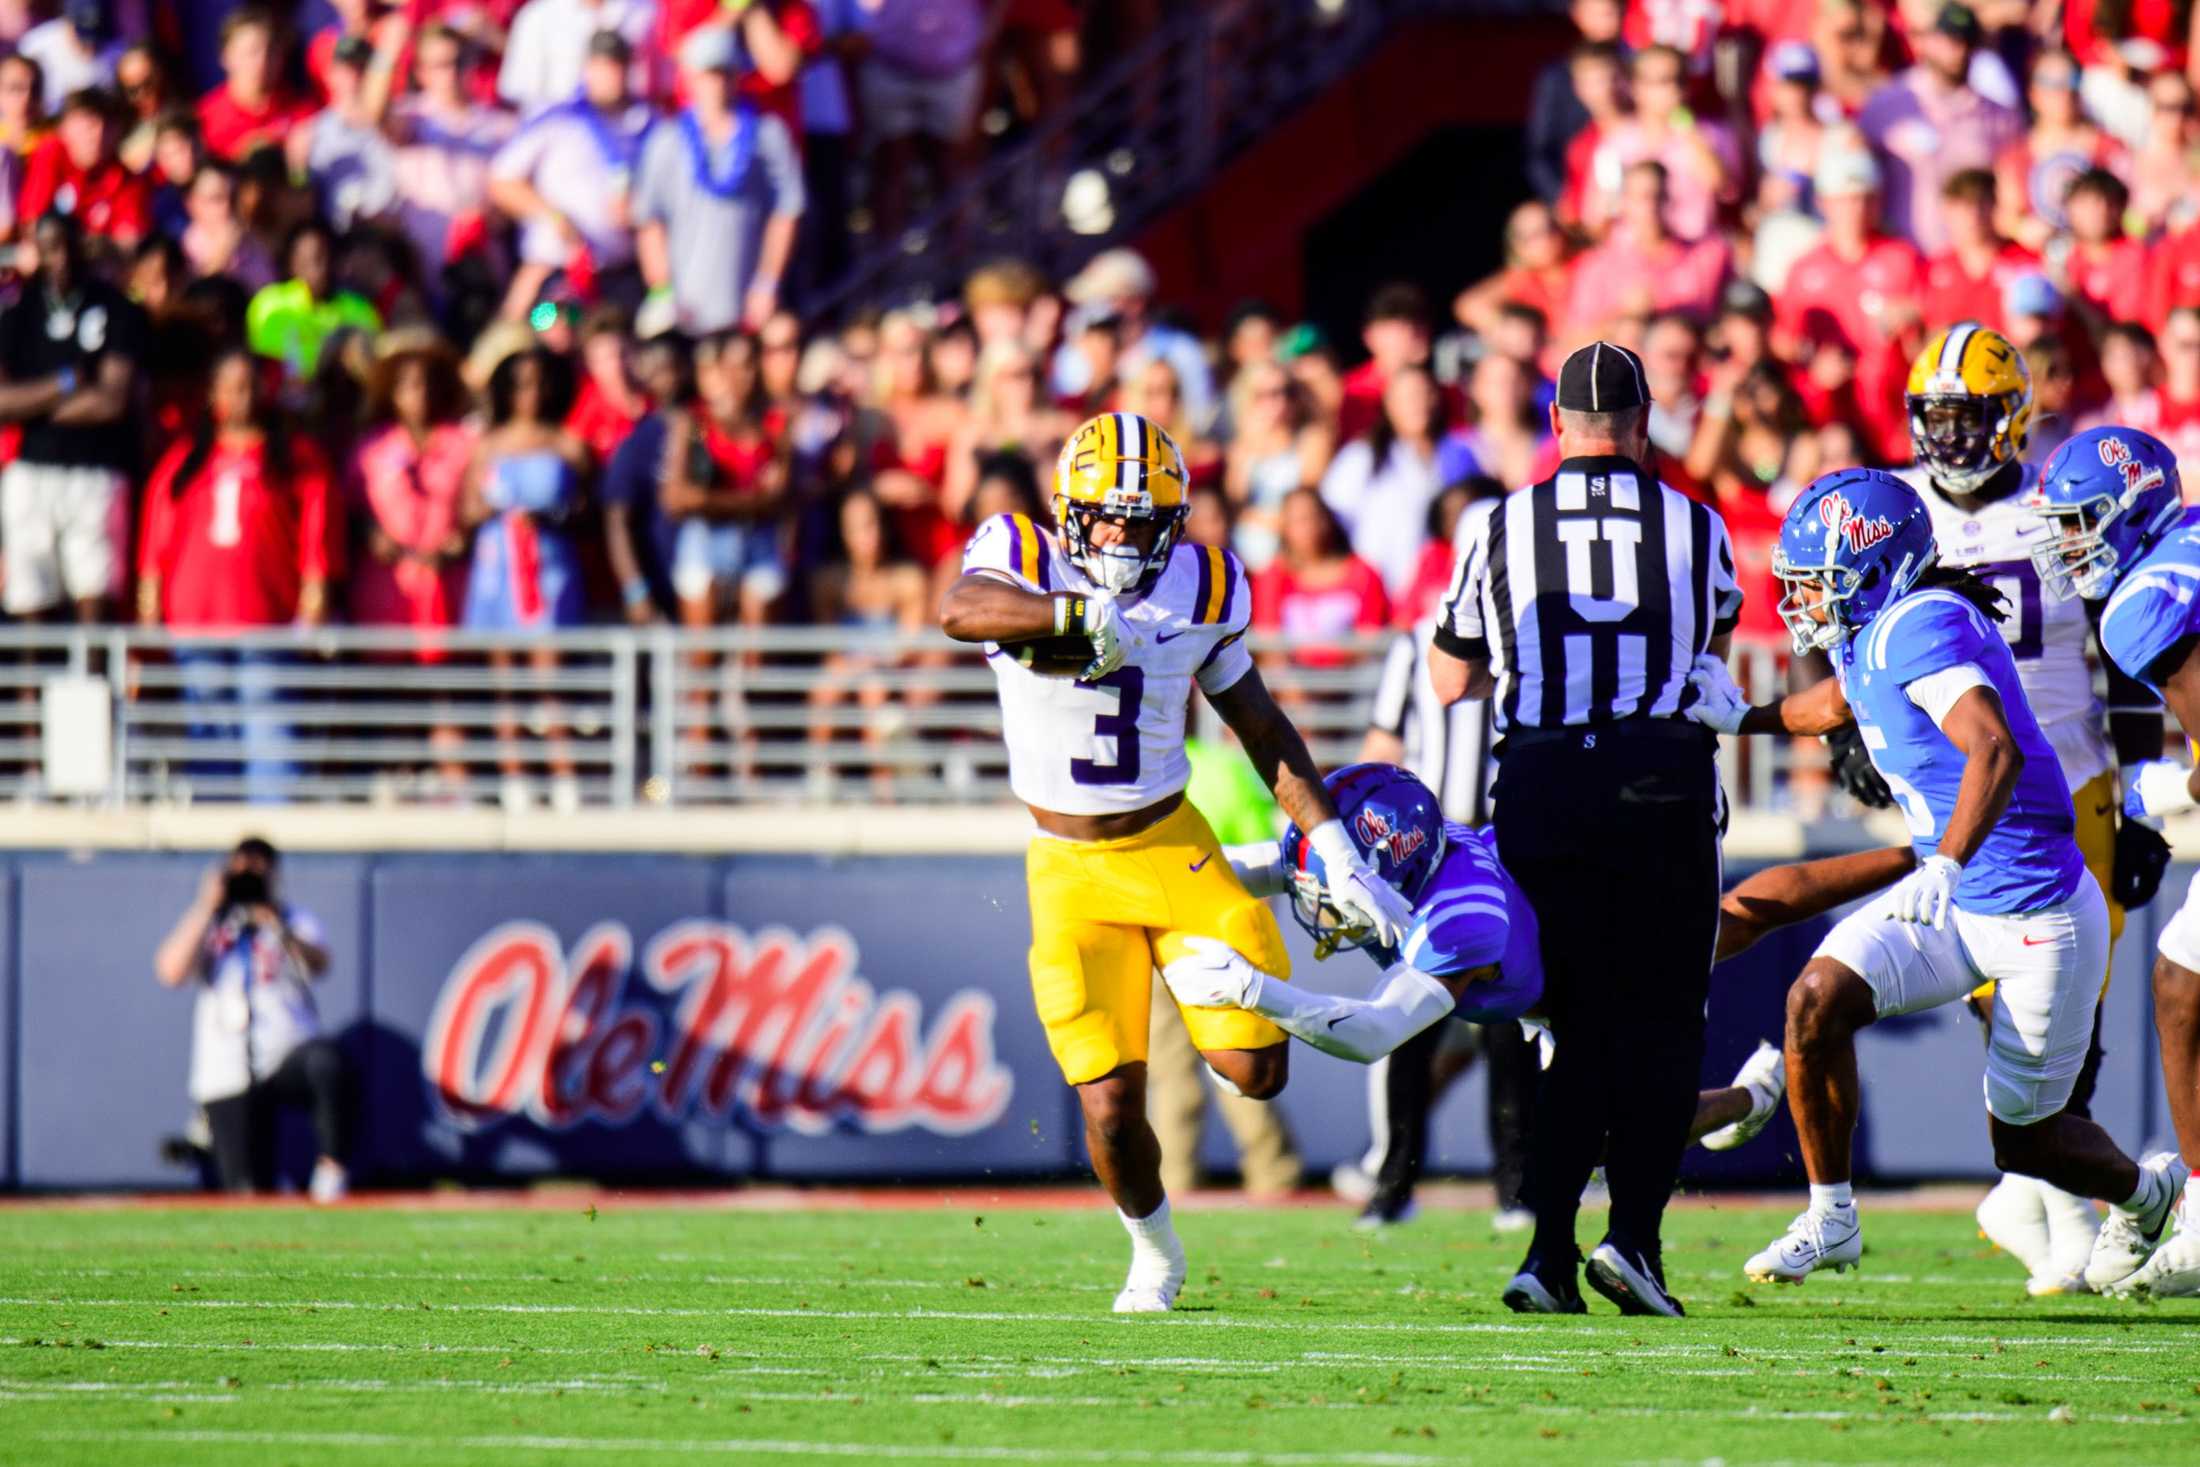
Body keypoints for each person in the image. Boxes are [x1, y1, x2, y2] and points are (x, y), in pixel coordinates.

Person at [938, 410, 1416, 1313]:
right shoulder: (1022, 550)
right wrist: (1070, 614)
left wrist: (1335, 842)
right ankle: (1153, 1250)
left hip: (1170, 844)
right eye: (1105, 517)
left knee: (1256, 1070)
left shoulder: (1204, 584)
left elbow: (1261, 724)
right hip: (1068, 866)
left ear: (1177, 521)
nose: (1120, 535)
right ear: (1070, 510)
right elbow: (960, 608)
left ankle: (1263, 870)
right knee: (1112, 1108)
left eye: (1142, 519)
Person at [1684, 468, 2185, 1289]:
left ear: (1874, 571)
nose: (1803, 601)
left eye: (1819, 583)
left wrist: (1946, 860)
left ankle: (2147, 1189)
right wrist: (1746, 717)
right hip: (1956, 900)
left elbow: (1995, 747)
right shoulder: (1878, 624)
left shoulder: (1922, 625)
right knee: (1816, 999)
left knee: (2025, 1140)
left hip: (2034, 914)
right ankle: (1831, 1216)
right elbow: (1840, 703)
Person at [1160, 764, 1899, 1221]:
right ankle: (1906, 855)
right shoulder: (1403, 862)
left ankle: (1749, 1098)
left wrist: (1258, 991)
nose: (1321, 899)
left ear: (1386, 865)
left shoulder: (1458, 921)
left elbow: (1376, 1032)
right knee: (1727, 929)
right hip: (1552, 932)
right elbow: (1248, 866)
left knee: (1609, 1135)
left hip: (1596, 966)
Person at [1429, 339, 1741, 1318]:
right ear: (1642, 425)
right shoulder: (1695, 525)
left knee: (1564, 1030)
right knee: (1659, 1028)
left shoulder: (1502, 522)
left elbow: (1450, 678)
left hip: (1543, 782)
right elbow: (1709, 651)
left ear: (1556, 427)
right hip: (1659, 781)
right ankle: (1633, 1241)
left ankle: (1548, 1252)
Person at [1892, 325, 2170, 1293]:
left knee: (2070, 1006)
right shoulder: (1898, 511)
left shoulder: (2054, 501)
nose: (1951, 437)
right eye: (1935, 416)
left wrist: (2139, 797)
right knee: (2004, 999)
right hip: (1963, 787)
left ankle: (2049, 1198)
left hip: (2075, 777)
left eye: (1968, 417)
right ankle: (2048, 1199)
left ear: (2010, 417)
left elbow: (2125, 649)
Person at [2034, 427, 2200, 1296]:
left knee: (2181, 984)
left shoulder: (2146, 603)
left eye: (2080, 522)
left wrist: (2168, 785)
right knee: (2180, 980)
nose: (2068, 544)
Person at [154, 837, 350, 1200]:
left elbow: (321, 964)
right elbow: (170, 971)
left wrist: (275, 922)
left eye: (259, 870)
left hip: (285, 1055)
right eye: (241, 870)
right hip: (227, 1067)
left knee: (327, 1062)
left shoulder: (291, 919)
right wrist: (206, 905)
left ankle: (331, 1171)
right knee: (248, 1192)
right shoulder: (213, 925)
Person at [0, 209, 144, 624]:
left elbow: (112, 401)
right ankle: (29, 690)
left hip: (96, 472)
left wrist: (33, 406)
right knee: (30, 596)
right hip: (31, 471)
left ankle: (93, 688)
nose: (59, 260)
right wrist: (65, 383)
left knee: (93, 594)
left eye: (66, 247)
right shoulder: (19, 314)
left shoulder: (116, 309)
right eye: (49, 250)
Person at [633, 25, 804, 336]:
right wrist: (663, 291)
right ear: (692, 78)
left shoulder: (768, 135)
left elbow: (786, 211)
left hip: (747, 307)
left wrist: (767, 283)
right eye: (709, 74)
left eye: (725, 73)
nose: (717, 84)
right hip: (685, 308)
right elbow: (650, 221)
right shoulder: (666, 140)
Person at [487, 30, 654, 321]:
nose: (612, 75)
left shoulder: (644, 124)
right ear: (587, 69)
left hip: (619, 272)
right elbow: (502, 182)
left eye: (618, 65)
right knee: (545, 340)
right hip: (559, 276)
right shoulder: (558, 120)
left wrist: (639, 208)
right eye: (603, 66)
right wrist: (553, 216)